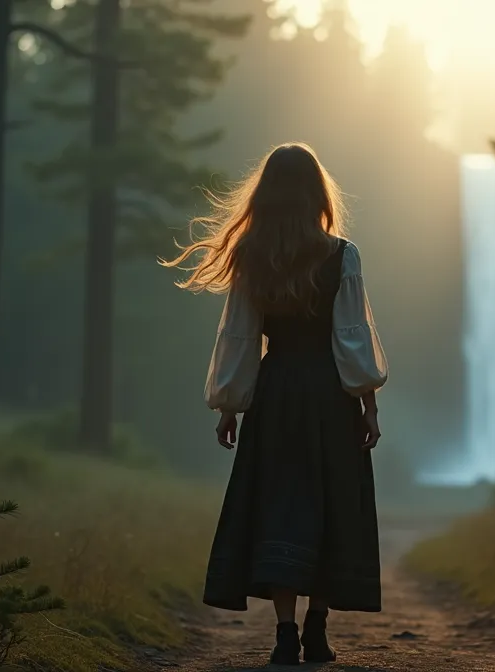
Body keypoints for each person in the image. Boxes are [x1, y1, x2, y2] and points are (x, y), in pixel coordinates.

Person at [161, 142, 389, 665]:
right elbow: (351, 339)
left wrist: (230, 405)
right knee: (331, 502)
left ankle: (285, 632)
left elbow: (239, 337)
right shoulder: (341, 254)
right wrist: (369, 405)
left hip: (277, 393)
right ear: (316, 193)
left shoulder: (251, 256)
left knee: (282, 505)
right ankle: (317, 628)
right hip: (330, 396)